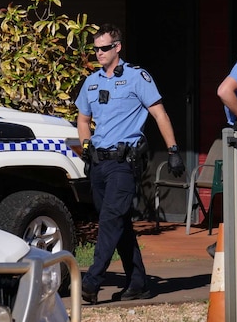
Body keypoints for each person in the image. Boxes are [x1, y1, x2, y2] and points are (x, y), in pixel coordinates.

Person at [75, 23, 185, 304]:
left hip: (124, 164)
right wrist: (86, 147)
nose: (98, 53)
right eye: (96, 48)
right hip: (99, 164)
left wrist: (173, 150)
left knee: (110, 220)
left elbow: (160, 114)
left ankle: (92, 281)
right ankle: (138, 282)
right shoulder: (92, 81)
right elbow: (83, 119)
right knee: (119, 223)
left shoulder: (138, 78)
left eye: (104, 48)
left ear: (117, 47)